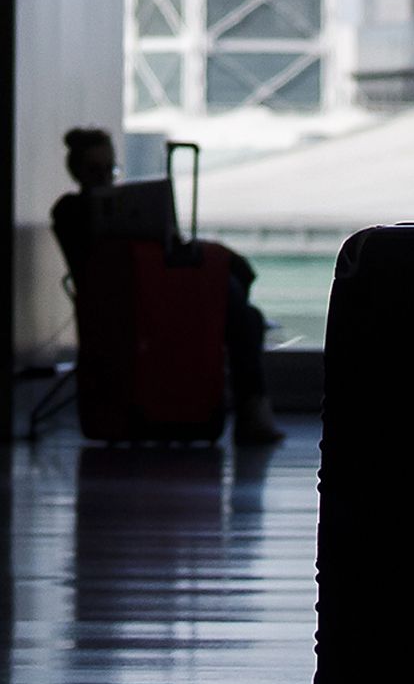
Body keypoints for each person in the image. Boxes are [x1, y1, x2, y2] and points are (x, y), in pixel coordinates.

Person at [58, 127, 283, 448]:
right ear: (77, 172)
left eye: (111, 169)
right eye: (96, 170)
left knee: (241, 305)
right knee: (241, 312)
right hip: (125, 306)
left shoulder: (128, 207)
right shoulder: (71, 212)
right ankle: (252, 409)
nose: (105, 177)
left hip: (158, 294)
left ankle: (251, 407)